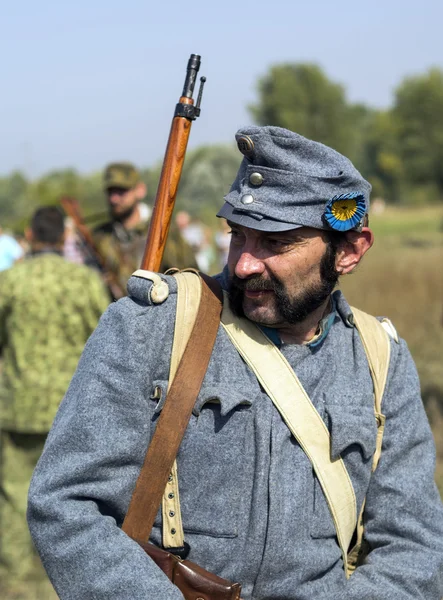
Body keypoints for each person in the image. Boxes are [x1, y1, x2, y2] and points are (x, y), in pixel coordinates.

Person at [27, 127, 443, 599]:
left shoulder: (381, 359)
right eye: (238, 235)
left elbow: (413, 546)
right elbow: (68, 504)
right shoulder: (152, 328)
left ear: (348, 251)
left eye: (275, 242)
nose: (244, 264)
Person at [0, 206, 110, 597]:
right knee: (71, 504)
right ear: (64, 238)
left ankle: (16, 586)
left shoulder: (10, 281)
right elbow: (106, 342)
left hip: (18, 408)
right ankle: (60, 586)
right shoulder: (84, 282)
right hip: (73, 411)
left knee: (15, 497)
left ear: (30, 235)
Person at [93, 162, 197, 296]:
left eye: (121, 191)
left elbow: (190, 278)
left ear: (140, 190)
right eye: (110, 192)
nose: (114, 199)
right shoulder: (100, 236)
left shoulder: (164, 232)